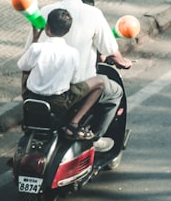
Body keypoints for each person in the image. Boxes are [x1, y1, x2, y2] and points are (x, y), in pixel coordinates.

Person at [25, 0, 132, 152]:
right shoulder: (93, 14)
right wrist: (122, 61)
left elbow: (28, 52)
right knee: (113, 92)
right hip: (74, 90)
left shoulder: (44, 12)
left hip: (40, 88)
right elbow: (110, 49)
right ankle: (94, 138)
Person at [18, 8, 105, 141]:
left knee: (26, 69)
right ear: (68, 31)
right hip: (58, 103)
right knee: (100, 82)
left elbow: (23, 66)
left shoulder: (36, 48)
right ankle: (73, 124)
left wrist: (35, 39)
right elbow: (75, 80)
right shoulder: (72, 53)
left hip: (31, 97)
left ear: (47, 28)